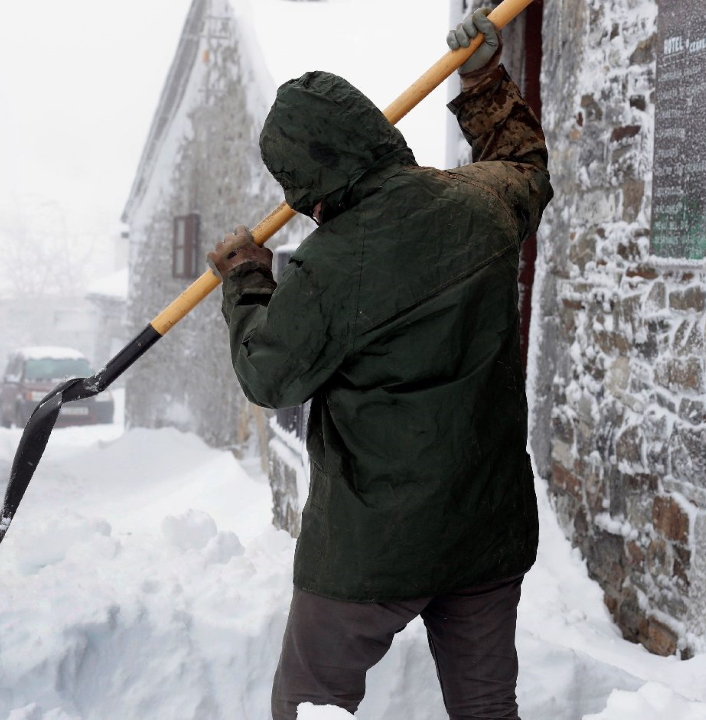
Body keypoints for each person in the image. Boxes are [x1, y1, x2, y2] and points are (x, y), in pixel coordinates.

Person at [207, 11, 553, 720]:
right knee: (488, 708)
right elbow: (526, 167)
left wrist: (246, 278)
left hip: (371, 551)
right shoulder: (481, 203)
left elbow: (269, 375)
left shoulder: (326, 270)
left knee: (311, 705)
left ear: (305, 183)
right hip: (485, 531)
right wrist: (483, 78)